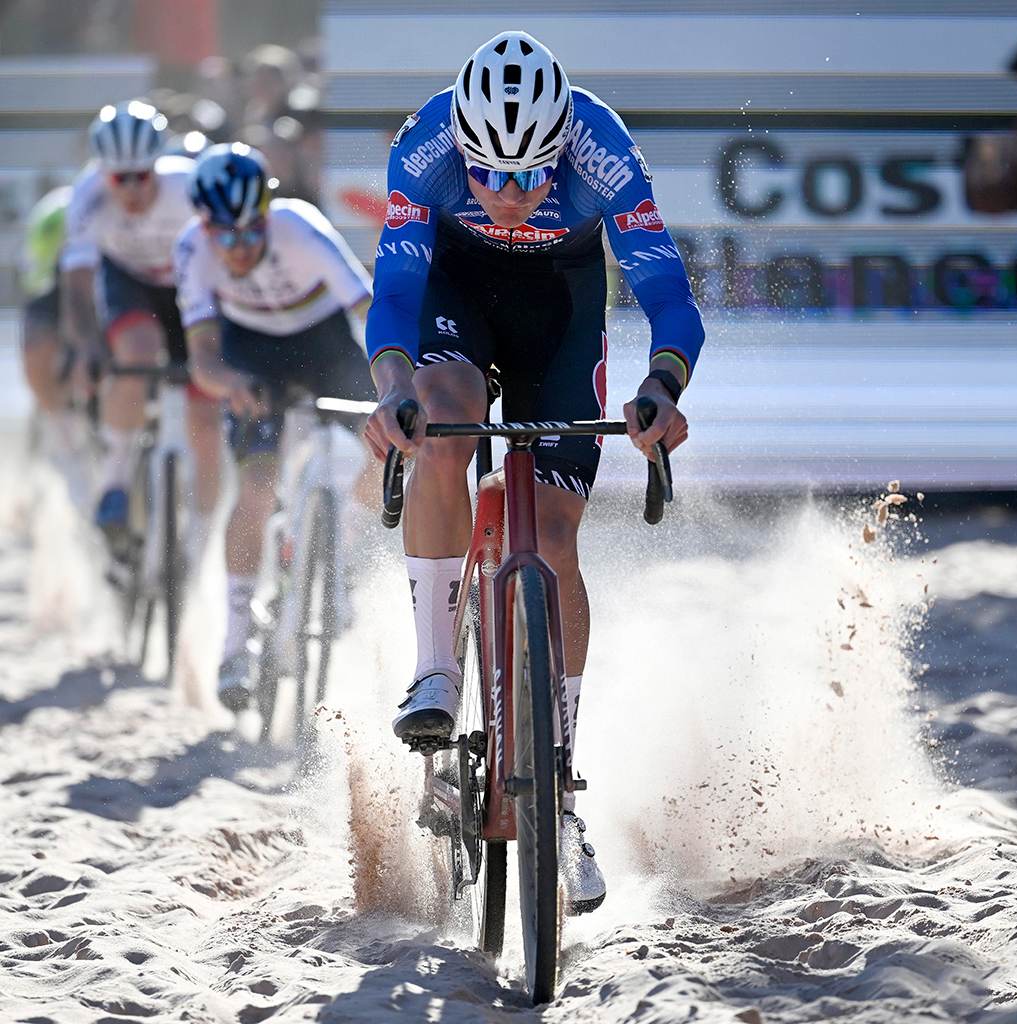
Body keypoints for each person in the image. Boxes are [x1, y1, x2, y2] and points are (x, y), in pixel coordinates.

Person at [363, 31, 705, 914]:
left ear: (560, 146)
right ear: (465, 153)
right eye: (492, 175)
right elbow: (396, 296)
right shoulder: (424, 146)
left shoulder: (604, 149)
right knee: (441, 426)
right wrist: (394, 389)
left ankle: (559, 784)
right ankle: (435, 670)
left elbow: (669, 296)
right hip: (457, 294)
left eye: (531, 175)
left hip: (559, 306)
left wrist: (661, 387)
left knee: (553, 540)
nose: (511, 194)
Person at [174, 143, 375, 710]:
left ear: (267, 214)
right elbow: (204, 359)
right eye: (225, 236)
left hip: (324, 345)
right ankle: (235, 642)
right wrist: (227, 384)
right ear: (204, 226)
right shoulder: (192, 248)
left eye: (250, 232)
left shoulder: (301, 229)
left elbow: (368, 309)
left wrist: (396, 379)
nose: (238, 248)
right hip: (252, 353)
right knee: (258, 488)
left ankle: (342, 553)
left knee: (388, 448)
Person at [60, 100, 223, 544]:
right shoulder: (87, 198)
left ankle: (201, 538)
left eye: (142, 176)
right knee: (136, 352)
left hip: (187, 286)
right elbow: (76, 286)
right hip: (129, 281)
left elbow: (225, 261)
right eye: (119, 178)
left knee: (207, 415)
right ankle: (113, 483)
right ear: (102, 172)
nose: (131, 189)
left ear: (158, 165)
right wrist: (89, 347)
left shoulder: (189, 187)